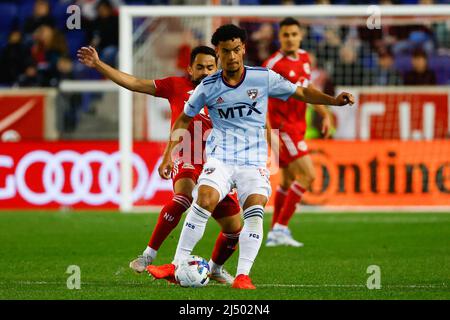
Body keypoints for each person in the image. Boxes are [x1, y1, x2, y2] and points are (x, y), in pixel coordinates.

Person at [149, 24, 354, 289]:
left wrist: (333, 101)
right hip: (221, 158)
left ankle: (243, 275)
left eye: (236, 50)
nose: (232, 56)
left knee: (254, 210)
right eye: (226, 51)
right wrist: (168, 155)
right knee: (204, 198)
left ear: (243, 49)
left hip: (253, 161)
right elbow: (183, 119)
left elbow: (300, 92)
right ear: (218, 53)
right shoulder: (208, 86)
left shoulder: (263, 77)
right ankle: (177, 265)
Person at [77, 45, 242, 285]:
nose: (205, 72)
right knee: (183, 197)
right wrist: (99, 65)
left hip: (218, 164)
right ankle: (148, 255)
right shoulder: (176, 86)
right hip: (187, 156)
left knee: (234, 229)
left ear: (217, 68)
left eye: (210, 67)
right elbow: (134, 83)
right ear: (189, 68)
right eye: (200, 67)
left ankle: (216, 269)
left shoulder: (227, 92)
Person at [262, 17, 333, 247]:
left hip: (298, 127)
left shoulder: (304, 57)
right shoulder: (273, 65)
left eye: (294, 34)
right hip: (283, 129)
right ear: (279, 37)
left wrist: (324, 113)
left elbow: (307, 89)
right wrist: (269, 133)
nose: (290, 38)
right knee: (308, 176)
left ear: (300, 35)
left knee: (288, 181)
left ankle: (275, 231)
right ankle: (281, 228)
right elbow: (258, 98)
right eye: (286, 35)